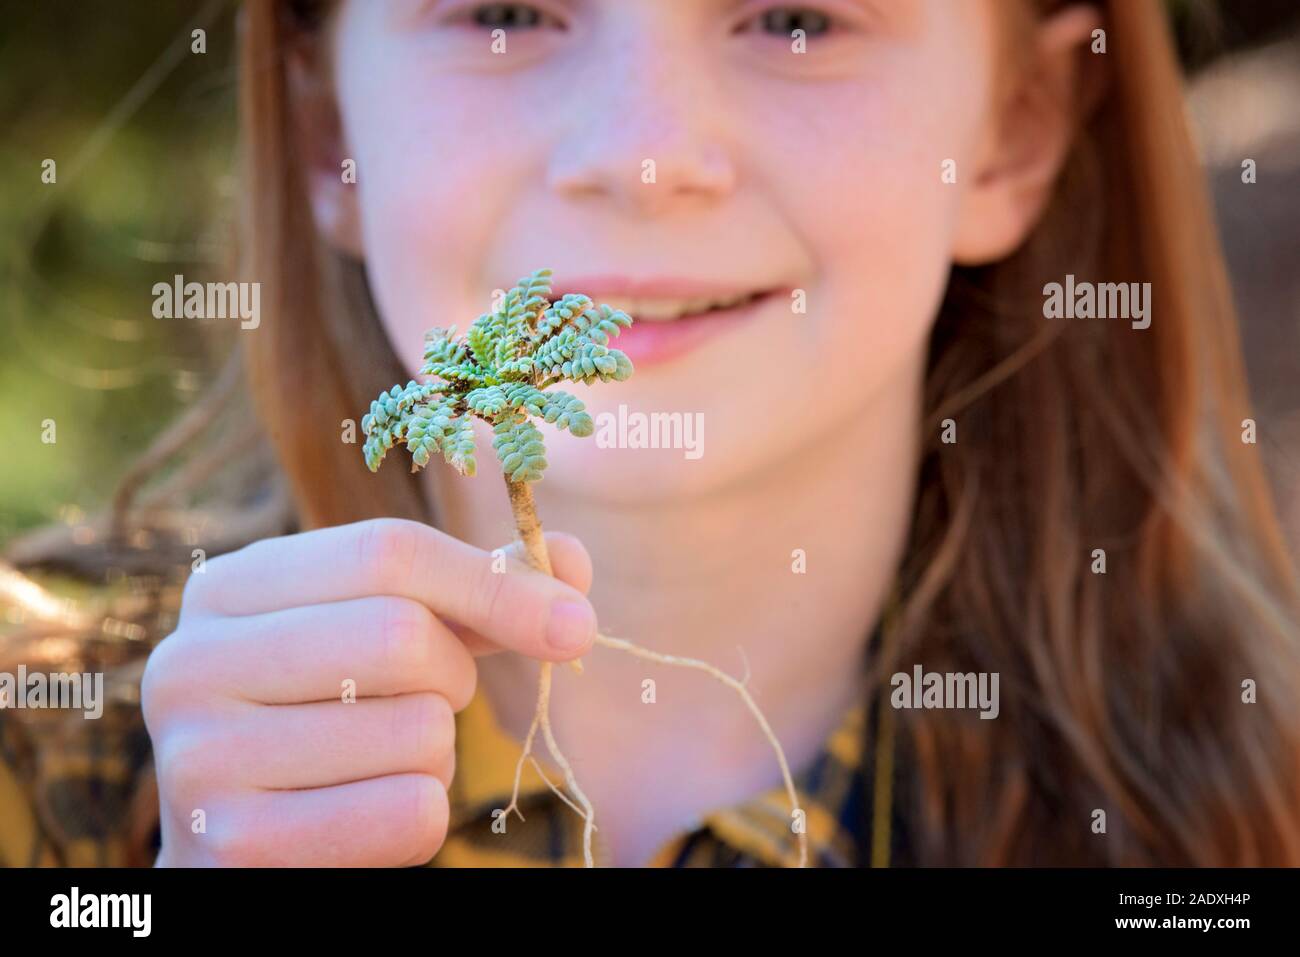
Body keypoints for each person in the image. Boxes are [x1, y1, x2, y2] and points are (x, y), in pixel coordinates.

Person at [10, 0, 1300, 868]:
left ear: (1016, 129)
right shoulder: (38, 755)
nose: (644, 157)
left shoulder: (1243, 820)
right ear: (327, 129)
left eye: (794, 17)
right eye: (508, 9)